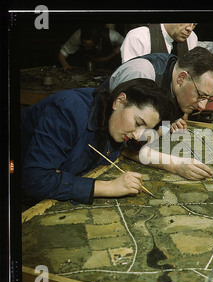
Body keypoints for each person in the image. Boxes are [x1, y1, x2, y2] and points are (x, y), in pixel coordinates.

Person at [21, 78, 176, 205]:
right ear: (119, 101)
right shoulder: (67, 110)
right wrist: (108, 187)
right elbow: (34, 180)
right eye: (138, 123)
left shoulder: (115, 123)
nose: (138, 135)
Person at [108, 46, 213, 134]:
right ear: (181, 78)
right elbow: (126, 138)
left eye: (208, 98)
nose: (202, 106)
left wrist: (168, 123)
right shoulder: (142, 74)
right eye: (201, 95)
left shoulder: (180, 90)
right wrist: (171, 165)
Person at [58, 25, 124, 72]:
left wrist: (109, 56)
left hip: (109, 68)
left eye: (89, 46)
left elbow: (126, 47)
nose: (86, 49)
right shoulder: (77, 35)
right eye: (84, 45)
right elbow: (62, 53)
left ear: (97, 42)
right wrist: (65, 65)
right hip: (85, 68)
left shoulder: (113, 36)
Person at [120, 23, 198, 63]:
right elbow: (133, 79)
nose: (190, 28)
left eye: (194, 24)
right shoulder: (139, 37)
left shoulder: (192, 38)